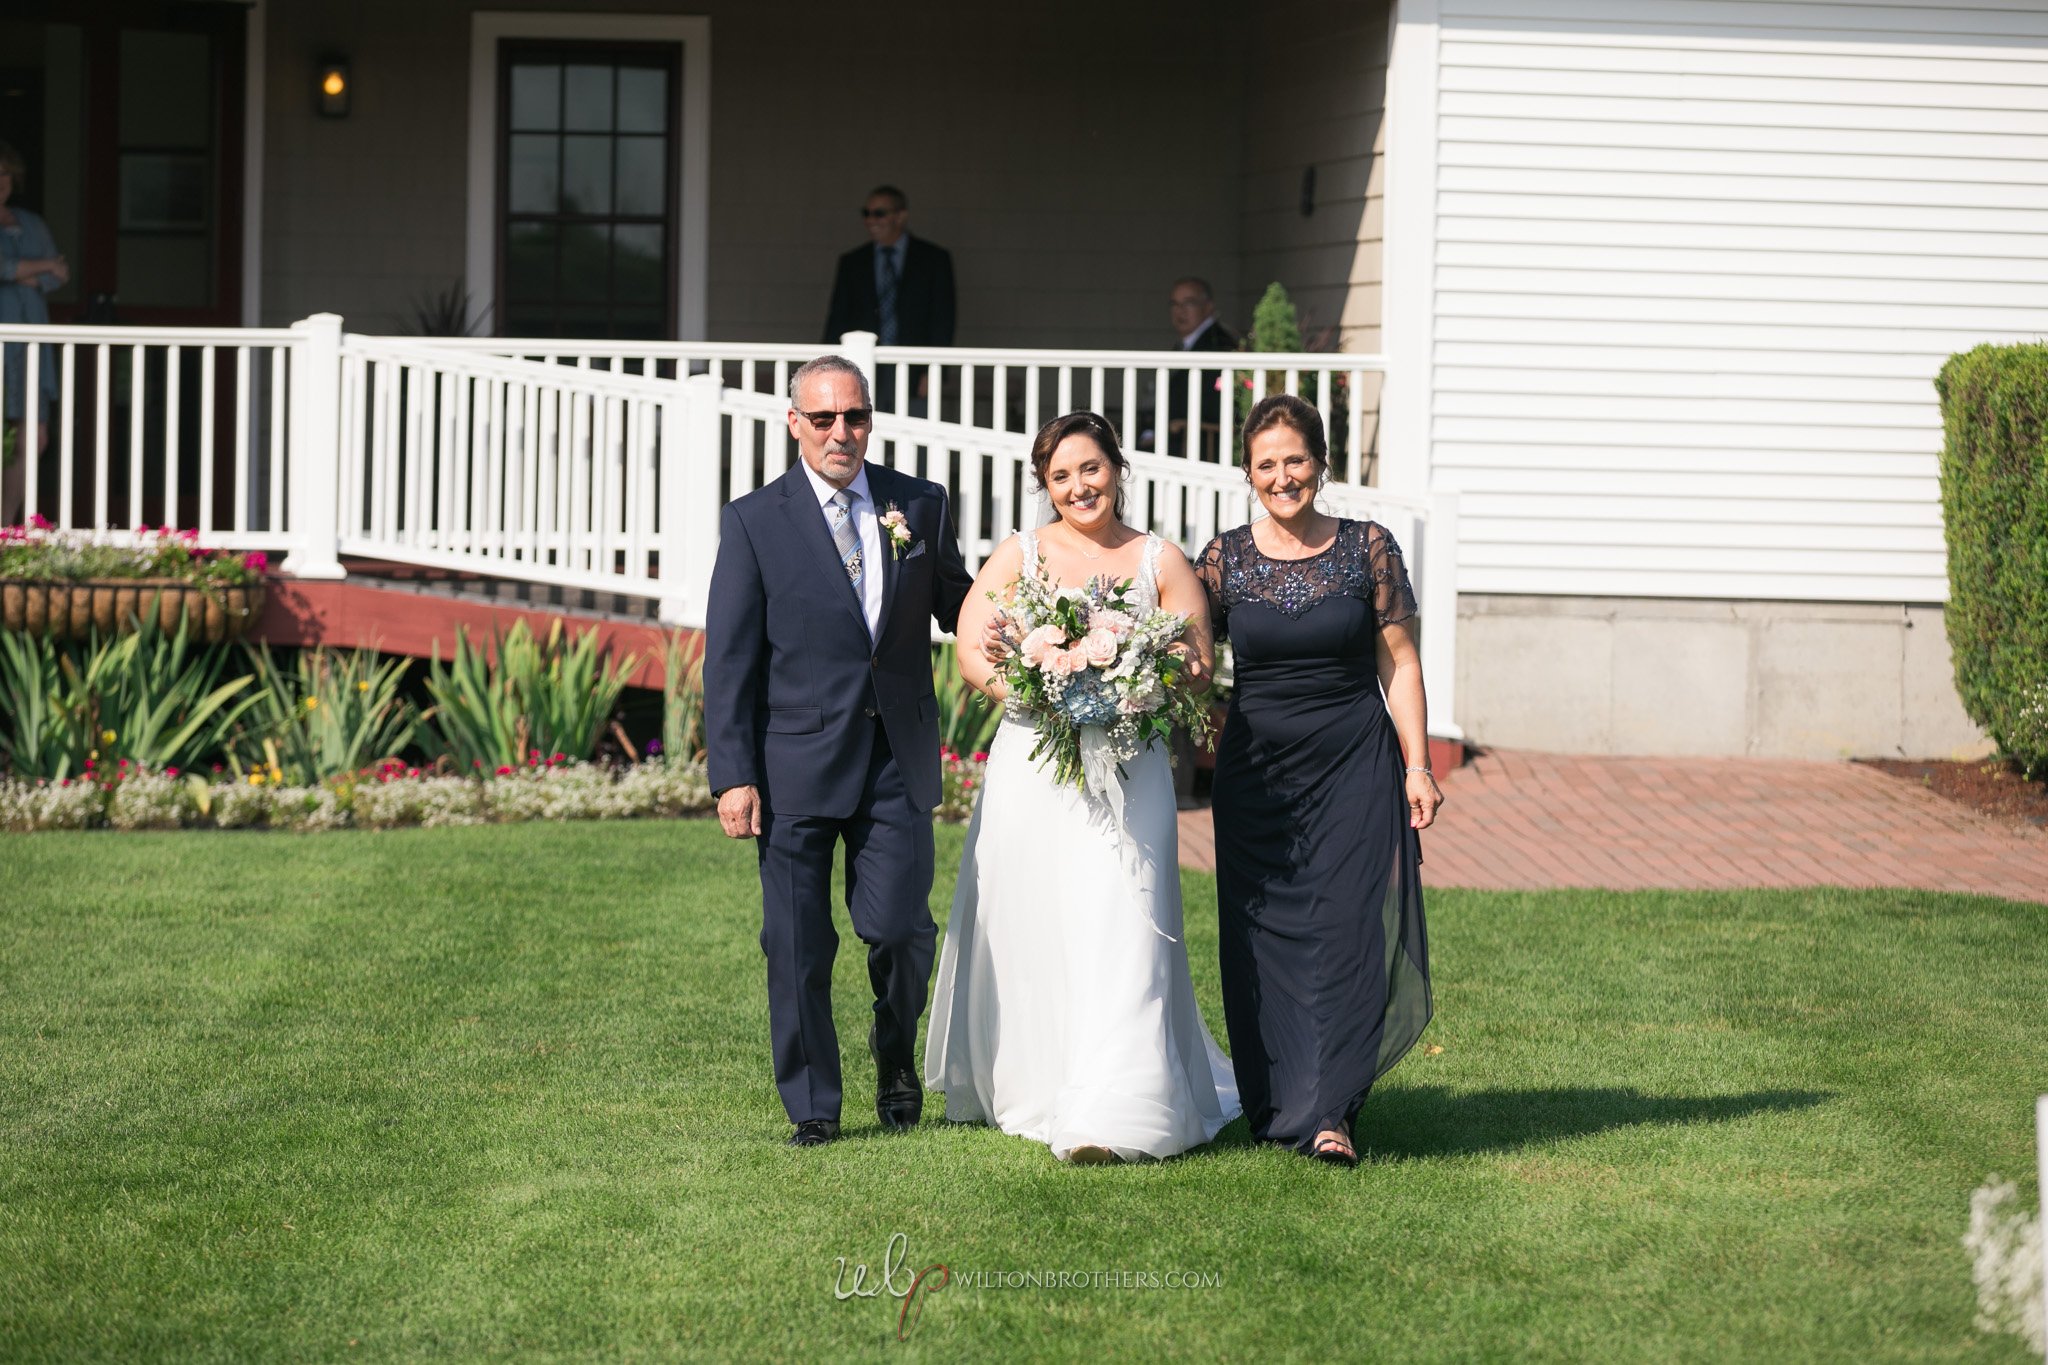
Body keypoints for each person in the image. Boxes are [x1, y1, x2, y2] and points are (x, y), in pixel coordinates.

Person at [926, 410, 1240, 1164]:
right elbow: (970, 648)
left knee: (1126, 918)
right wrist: (1036, 690)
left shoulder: (1160, 559)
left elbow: (1198, 663)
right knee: (1034, 919)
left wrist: (1137, 676)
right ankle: (1041, 1084)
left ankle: (1120, 1106)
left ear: (1117, 470)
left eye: (1090, 468)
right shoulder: (1021, 554)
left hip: (1132, 770)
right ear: (1046, 485)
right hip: (1034, 766)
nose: (1078, 487)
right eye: (1061, 476)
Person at [705, 354, 974, 1148]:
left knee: (899, 930)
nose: (840, 432)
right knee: (796, 943)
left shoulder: (918, 503)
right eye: (822, 418)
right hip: (792, 764)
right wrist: (733, 775)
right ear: (794, 423)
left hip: (895, 755)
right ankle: (814, 1106)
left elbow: (958, 600)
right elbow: (730, 658)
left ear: (869, 420)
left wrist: (1032, 615)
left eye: (853, 416)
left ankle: (895, 1051)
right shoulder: (754, 521)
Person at [1194, 394, 1439, 1168]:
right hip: (1256, 781)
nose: (1282, 475)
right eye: (1265, 463)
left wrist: (1419, 764)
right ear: (1247, 473)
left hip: (1353, 766)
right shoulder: (1224, 560)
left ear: (1321, 463)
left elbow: (1400, 664)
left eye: (1295, 459)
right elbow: (1188, 661)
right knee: (1262, 938)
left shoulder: (1368, 548)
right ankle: (1278, 1101)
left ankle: (1333, 1110)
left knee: (1346, 932)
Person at [822, 185, 955, 415]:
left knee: (913, 428)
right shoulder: (853, 261)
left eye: (879, 213)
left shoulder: (934, 259)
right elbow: (838, 317)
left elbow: (943, 319)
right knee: (863, 424)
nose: (870, 220)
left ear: (901, 216)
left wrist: (934, 371)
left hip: (914, 368)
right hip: (861, 364)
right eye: (866, 213)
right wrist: (827, 368)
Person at [0, 139, 65, 526]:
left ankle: (5, 526)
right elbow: (6, 268)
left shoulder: (32, 223)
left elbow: (60, 275)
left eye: (5, 174)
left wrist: (23, 271)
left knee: (33, 438)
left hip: (31, 345)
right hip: (1, 344)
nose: (0, 181)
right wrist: (36, 268)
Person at [1165, 276, 1237, 461]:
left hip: (1201, 447)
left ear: (1208, 307)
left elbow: (1215, 407)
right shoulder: (1186, 344)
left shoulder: (1219, 345)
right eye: (1175, 304)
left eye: (1189, 303)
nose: (1180, 311)